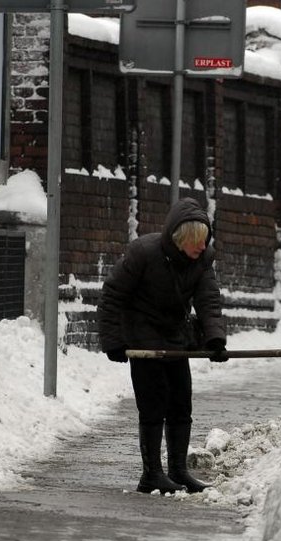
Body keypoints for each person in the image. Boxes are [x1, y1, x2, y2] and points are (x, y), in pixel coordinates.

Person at [97, 197, 228, 494]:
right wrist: (114, 341)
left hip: (174, 337)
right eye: (196, 242)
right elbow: (112, 296)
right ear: (180, 239)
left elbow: (208, 300)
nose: (201, 247)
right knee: (154, 405)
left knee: (181, 404)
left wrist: (215, 339)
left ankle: (179, 471)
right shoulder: (144, 252)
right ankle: (151, 474)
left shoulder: (202, 259)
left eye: (204, 241)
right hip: (142, 337)